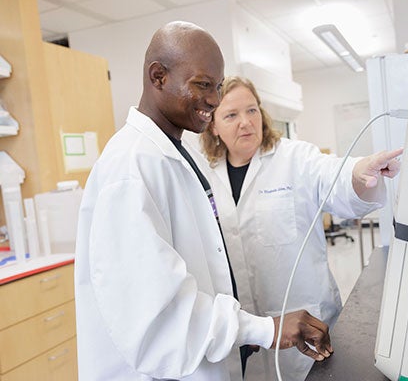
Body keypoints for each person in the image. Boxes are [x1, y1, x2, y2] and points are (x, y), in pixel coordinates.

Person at [74, 21, 332, 381]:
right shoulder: (131, 167)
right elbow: (160, 313)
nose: (214, 98)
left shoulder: (172, 154)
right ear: (158, 76)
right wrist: (262, 328)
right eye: (202, 84)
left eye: (218, 86)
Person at [193, 76, 402, 380]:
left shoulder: (295, 158)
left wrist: (359, 171)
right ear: (213, 125)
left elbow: (333, 175)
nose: (245, 123)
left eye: (252, 111)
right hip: (248, 337)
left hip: (309, 329)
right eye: (231, 115)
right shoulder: (204, 177)